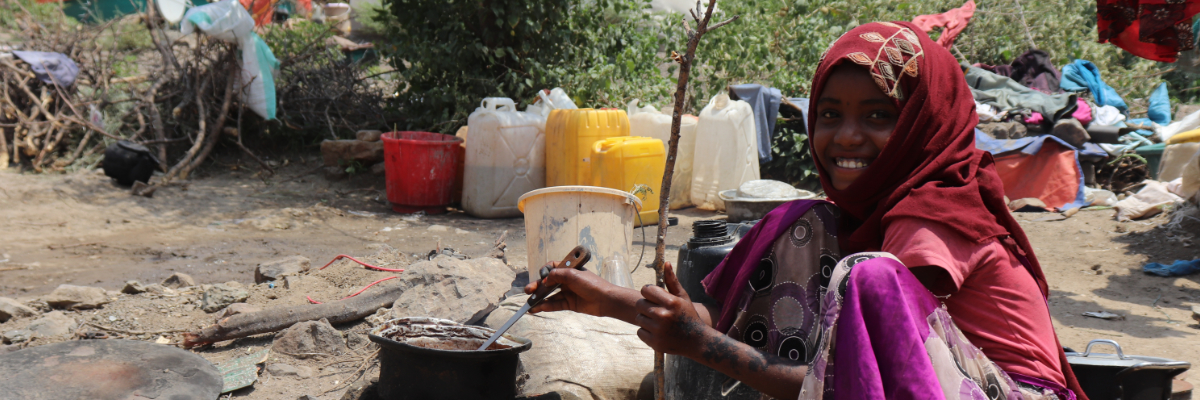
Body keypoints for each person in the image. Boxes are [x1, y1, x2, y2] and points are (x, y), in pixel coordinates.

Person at [525, 21, 1086, 400]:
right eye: (830, 114)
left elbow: (862, 380)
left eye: (876, 116)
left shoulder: (934, 215)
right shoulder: (855, 220)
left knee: (868, 279)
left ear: (922, 122)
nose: (846, 137)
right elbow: (718, 331)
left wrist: (703, 347)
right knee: (800, 225)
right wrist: (610, 300)